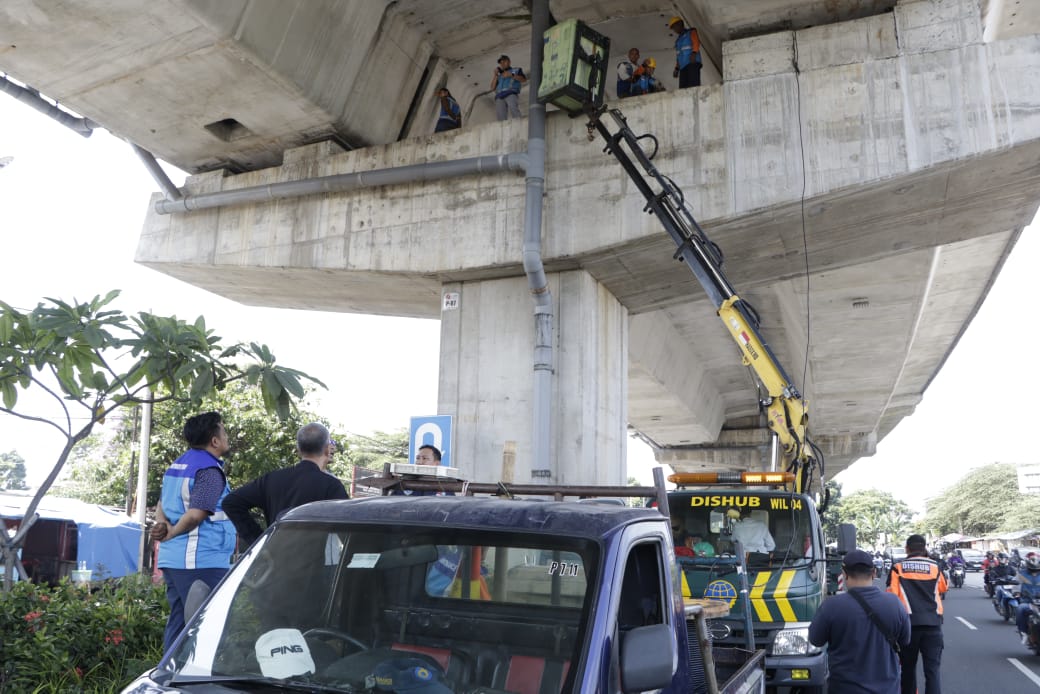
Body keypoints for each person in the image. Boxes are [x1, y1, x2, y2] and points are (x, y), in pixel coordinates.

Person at [151, 411, 237, 652]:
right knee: (204, 626)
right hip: (201, 561)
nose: (226, 435)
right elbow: (196, 515)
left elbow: (162, 505)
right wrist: (172, 532)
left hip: (175, 560)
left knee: (179, 625)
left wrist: (162, 526)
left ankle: (168, 677)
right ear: (215, 441)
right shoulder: (209, 471)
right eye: (223, 430)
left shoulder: (177, 466)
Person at [222, 422, 348, 548]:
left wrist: (260, 543)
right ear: (327, 449)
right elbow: (350, 527)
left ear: (298, 449)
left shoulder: (271, 479)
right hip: (315, 564)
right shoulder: (332, 486)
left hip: (275, 561)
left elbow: (231, 502)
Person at [809, 549, 910, 693]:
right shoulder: (895, 603)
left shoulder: (831, 606)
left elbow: (815, 640)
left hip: (845, 689)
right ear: (874, 573)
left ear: (844, 574)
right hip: (888, 689)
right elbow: (905, 640)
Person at [887, 534, 947, 694]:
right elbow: (942, 588)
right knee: (932, 671)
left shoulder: (897, 567)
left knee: (907, 669)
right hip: (933, 625)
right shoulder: (935, 566)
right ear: (924, 548)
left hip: (907, 626)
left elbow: (891, 594)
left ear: (907, 549)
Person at [668, 16, 702, 88]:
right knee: (683, 89)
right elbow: (678, 56)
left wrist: (694, 53)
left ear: (680, 24)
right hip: (683, 67)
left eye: (674, 26)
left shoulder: (691, 32)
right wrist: (677, 68)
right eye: (673, 28)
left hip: (692, 63)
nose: (674, 30)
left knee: (694, 87)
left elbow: (696, 42)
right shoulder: (678, 41)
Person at [490, 55, 526, 121]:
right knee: (500, 116)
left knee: (514, 109)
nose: (502, 64)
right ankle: (502, 129)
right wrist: (495, 75)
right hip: (500, 96)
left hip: (511, 93)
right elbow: (492, 88)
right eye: (501, 63)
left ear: (509, 62)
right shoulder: (500, 75)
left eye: (504, 61)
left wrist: (511, 75)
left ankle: (519, 123)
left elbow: (523, 79)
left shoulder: (516, 70)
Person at [1016, 552, 1040, 645]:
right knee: (1020, 609)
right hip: (1028, 601)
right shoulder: (1021, 573)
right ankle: (1023, 632)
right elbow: (1016, 584)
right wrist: (1016, 592)